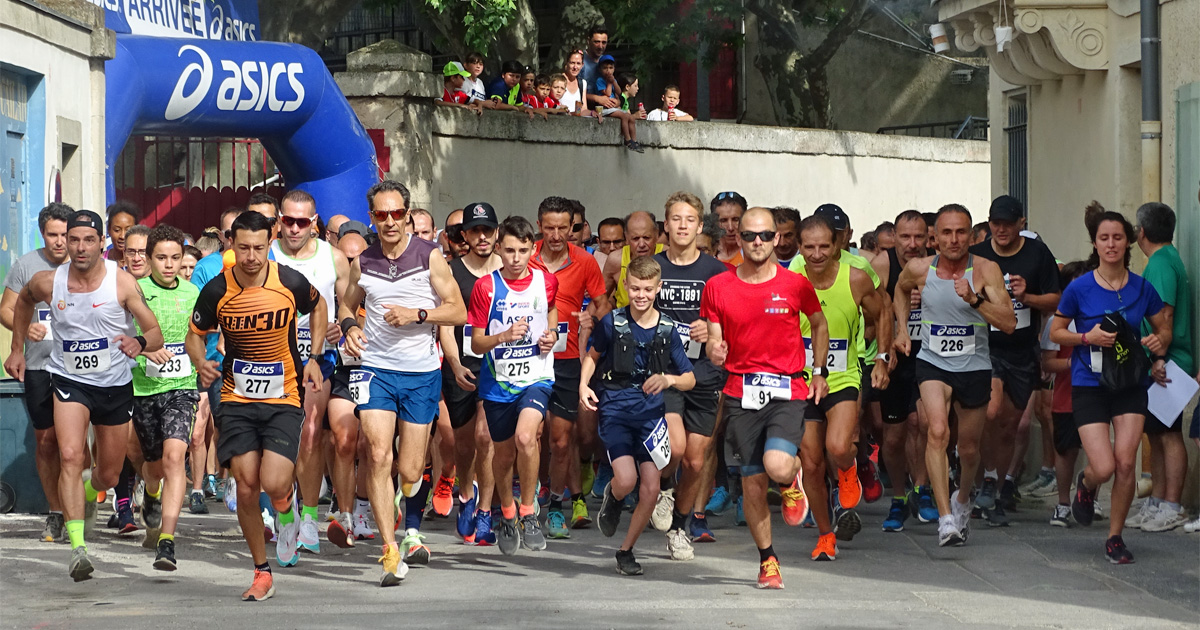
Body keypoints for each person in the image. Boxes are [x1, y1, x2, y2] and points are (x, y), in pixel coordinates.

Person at [5, 209, 164, 581]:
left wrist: (138, 342)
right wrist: (16, 348)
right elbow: (23, 302)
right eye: (73, 239)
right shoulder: (48, 281)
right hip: (68, 380)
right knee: (71, 454)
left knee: (107, 474)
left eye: (88, 240)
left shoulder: (121, 283)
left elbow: (153, 332)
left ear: (103, 242)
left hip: (112, 385)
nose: (79, 247)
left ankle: (93, 490)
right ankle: (78, 549)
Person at [186, 210, 325, 598]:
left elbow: (319, 307)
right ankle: (261, 571)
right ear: (231, 244)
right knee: (247, 485)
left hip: (284, 395)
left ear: (272, 240)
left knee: (274, 481)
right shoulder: (217, 289)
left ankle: (286, 507)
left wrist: (314, 355)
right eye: (243, 247)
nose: (251, 256)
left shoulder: (289, 282)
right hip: (235, 397)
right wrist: (201, 361)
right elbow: (193, 336)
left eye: (259, 248)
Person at [338, 180, 466, 583]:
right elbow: (347, 301)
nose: (390, 221)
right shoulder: (365, 261)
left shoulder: (430, 256)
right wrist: (347, 326)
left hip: (421, 373)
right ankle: (390, 550)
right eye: (381, 214)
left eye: (397, 214)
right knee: (377, 455)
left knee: (410, 471)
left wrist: (418, 315)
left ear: (407, 215)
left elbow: (458, 311)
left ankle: (404, 500)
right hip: (375, 367)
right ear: (372, 217)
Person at [700, 207, 829, 589]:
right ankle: (768, 560)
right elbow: (712, 337)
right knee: (753, 484)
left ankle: (790, 481)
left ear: (777, 239)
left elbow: (819, 323)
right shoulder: (718, 287)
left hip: (787, 388)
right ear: (738, 238)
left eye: (766, 236)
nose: (758, 242)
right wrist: (714, 351)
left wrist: (818, 371)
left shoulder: (794, 284)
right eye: (751, 236)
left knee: (776, 464)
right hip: (741, 391)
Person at [1050, 206, 1171, 564]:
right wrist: (1087, 337)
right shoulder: (1079, 287)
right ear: (1095, 244)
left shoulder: (1142, 287)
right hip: (1089, 382)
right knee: (1102, 466)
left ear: (1128, 241)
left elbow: (1163, 327)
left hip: (1130, 382)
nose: (1111, 244)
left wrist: (1158, 344)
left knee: (1125, 463)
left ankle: (1114, 537)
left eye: (1118, 237)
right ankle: (1086, 486)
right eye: (1104, 238)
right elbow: (1057, 331)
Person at [892, 204, 1014, 547]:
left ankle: (962, 501)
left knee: (970, 449)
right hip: (932, 361)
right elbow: (900, 290)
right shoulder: (919, 268)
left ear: (972, 235)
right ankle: (946, 520)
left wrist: (974, 300)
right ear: (935, 237)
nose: (954, 239)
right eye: (946, 232)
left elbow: (1008, 322)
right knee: (937, 429)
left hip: (974, 366)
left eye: (961, 232)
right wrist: (902, 329)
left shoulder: (986, 270)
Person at [582, 255, 696, 575]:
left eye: (647, 289)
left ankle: (626, 550)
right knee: (627, 479)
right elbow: (592, 357)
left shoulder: (668, 329)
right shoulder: (612, 323)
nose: (641, 295)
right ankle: (614, 496)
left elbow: (689, 378)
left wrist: (669, 379)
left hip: (650, 416)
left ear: (659, 288)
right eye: (634, 289)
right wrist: (582, 385)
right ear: (626, 287)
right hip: (616, 411)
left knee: (649, 488)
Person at [792, 213, 892, 560]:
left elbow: (883, 313)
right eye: (810, 247)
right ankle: (824, 535)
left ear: (836, 246)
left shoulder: (856, 279)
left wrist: (881, 357)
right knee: (813, 463)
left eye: (824, 246)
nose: (817, 254)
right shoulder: (791, 277)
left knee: (838, 446)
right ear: (800, 248)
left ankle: (849, 471)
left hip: (843, 376)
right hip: (801, 379)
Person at [469, 215, 559, 555]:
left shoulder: (545, 281)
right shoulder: (486, 288)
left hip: (536, 375)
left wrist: (550, 336)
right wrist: (504, 336)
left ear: (532, 248)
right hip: (498, 382)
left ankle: (528, 510)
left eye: (523, 250)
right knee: (503, 455)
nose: (516, 258)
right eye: (509, 251)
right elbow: (476, 344)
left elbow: (551, 315)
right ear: (498, 248)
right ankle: (506, 511)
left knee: (527, 437)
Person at [968, 195, 1061, 527]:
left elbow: (1056, 300)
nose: (1001, 229)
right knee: (990, 412)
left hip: (1022, 350)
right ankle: (983, 481)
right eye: (995, 223)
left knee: (1009, 426)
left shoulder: (1037, 255)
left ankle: (992, 484)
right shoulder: (977, 256)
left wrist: (1026, 297)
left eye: (1008, 223)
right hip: (984, 347)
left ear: (1022, 223)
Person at [649, 192, 732, 554]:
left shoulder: (717, 273)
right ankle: (664, 490)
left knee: (697, 460)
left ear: (700, 227)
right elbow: (635, 313)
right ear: (665, 226)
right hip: (663, 373)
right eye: (675, 219)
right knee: (675, 449)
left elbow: (733, 324)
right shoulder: (650, 267)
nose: (682, 226)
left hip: (704, 373)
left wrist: (711, 330)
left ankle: (679, 528)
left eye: (689, 220)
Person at [270, 190, 351, 555]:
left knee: (311, 431)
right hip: (271, 359)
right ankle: (283, 509)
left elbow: (350, 302)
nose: (295, 228)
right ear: (279, 221)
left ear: (314, 223)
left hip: (318, 357)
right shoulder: (266, 256)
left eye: (303, 222)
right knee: (273, 438)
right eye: (288, 220)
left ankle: (309, 518)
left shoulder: (333, 257)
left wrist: (340, 324)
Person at [530, 197, 608, 537]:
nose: (558, 235)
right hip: (526, 357)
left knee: (562, 441)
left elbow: (604, 305)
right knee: (530, 435)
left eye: (565, 228)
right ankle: (524, 501)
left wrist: (594, 316)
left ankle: (557, 506)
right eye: (550, 228)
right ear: (539, 225)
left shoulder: (586, 261)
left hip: (566, 358)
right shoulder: (525, 255)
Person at [126, 224, 201, 570]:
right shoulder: (133, 291)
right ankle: (151, 492)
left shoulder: (192, 293)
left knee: (175, 459)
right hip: (143, 389)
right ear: (148, 258)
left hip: (182, 387)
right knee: (153, 464)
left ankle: (167, 541)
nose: (169, 265)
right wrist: (143, 353)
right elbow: (117, 339)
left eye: (175, 258)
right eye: (161, 258)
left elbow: (199, 337)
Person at [0, 203, 73, 542]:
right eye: (53, 235)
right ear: (42, 234)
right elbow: (6, 309)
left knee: (77, 448)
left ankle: (84, 493)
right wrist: (26, 328)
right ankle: (57, 512)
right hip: (40, 365)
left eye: (65, 235)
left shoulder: (86, 265)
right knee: (46, 441)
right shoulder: (26, 265)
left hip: (80, 367)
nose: (60, 242)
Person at [438, 203, 503, 545]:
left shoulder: (507, 270)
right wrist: (454, 363)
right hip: (462, 365)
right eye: (475, 231)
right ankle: (467, 495)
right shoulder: (451, 272)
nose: (482, 237)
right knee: (463, 446)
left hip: (498, 365)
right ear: (464, 235)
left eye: (488, 230)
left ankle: (484, 514)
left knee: (485, 437)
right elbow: (446, 326)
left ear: (496, 232)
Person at [1130, 202, 1193, 532]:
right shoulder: (1164, 260)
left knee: (1168, 433)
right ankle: (1156, 502)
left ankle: (1172, 504)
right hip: (1162, 361)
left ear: (1141, 232)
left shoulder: (1162, 264)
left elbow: (1164, 316)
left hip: (1169, 363)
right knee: (1154, 432)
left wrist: (1158, 359)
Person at [874, 211, 939, 530]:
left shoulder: (938, 265)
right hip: (896, 358)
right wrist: (885, 350)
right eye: (905, 237)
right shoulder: (883, 265)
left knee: (926, 422)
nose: (912, 245)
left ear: (929, 238)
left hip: (930, 355)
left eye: (919, 238)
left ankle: (922, 489)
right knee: (895, 434)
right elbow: (870, 316)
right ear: (894, 237)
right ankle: (899, 497)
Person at [1042, 261, 1087, 528]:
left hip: (1098, 395)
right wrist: (1074, 364)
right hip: (1066, 396)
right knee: (1065, 450)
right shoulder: (1056, 323)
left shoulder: (1101, 317)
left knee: (1097, 451)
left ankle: (1088, 492)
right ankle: (1062, 503)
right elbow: (1047, 363)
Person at [604, 211, 663, 308]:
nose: (641, 244)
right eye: (635, 238)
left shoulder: (667, 257)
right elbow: (600, 299)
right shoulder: (616, 260)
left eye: (646, 238)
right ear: (626, 238)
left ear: (656, 235)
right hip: (625, 320)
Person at [711, 192, 747, 266]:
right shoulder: (707, 252)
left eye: (736, 219)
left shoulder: (753, 252)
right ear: (714, 222)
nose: (730, 228)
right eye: (723, 220)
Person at [104, 200, 140, 267]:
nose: (122, 236)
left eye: (128, 230)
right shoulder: (100, 262)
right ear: (109, 229)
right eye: (117, 230)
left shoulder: (144, 263)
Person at [560, 51, 589, 115]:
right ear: (566, 63)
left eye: (578, 63)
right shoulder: (557, 81)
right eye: (572, 63)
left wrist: (592, 113)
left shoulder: (582, 83)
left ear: (582, 65)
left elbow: (584, 109)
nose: (575, 67)